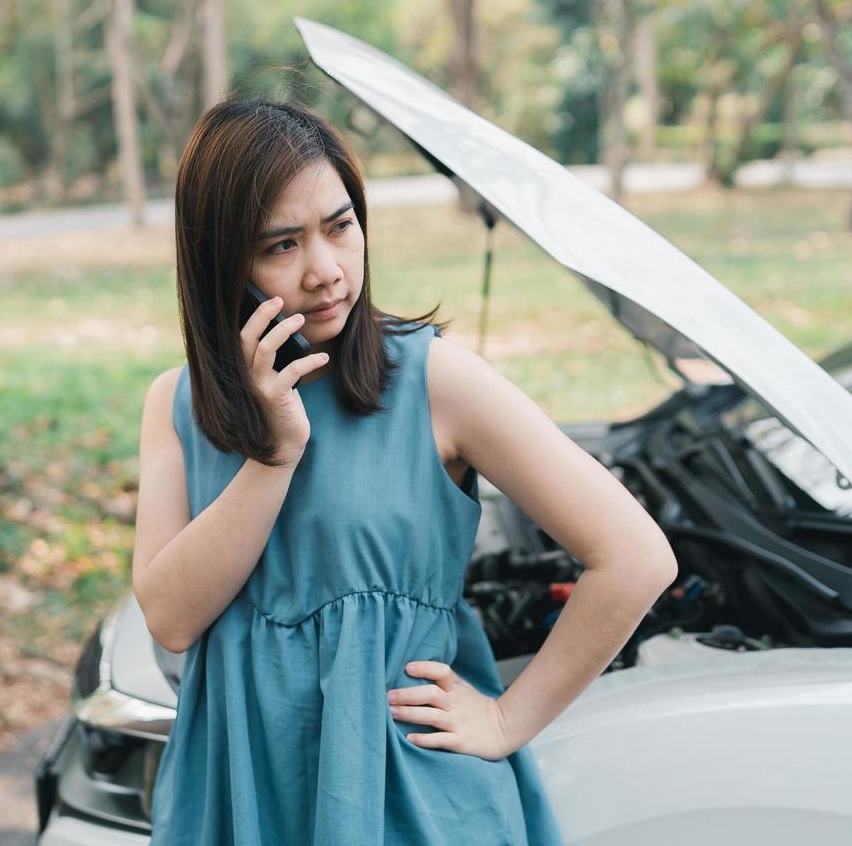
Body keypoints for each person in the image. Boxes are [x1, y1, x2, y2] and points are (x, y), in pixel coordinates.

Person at [132, 97, 679, 844]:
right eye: (281, 245)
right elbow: (170, 618)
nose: (325, 271)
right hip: (241, 798)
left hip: (404, 802)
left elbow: (636, 556)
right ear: (222, 262)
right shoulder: (175, 404)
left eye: (340, 226)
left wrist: (506, 716)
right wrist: (274, 457)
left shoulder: (435, 381)